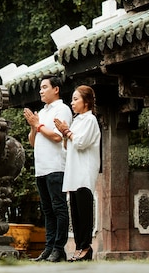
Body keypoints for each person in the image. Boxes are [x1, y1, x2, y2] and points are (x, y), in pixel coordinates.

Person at [23, 75, 73, 262]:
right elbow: (33, 142)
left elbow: (58, 137)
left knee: (59, 208)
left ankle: (59, 249)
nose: (41, 91)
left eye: (45, 87)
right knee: (47, 210)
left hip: (56, 166)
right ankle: (49, 247)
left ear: (56, 89)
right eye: (40, 88)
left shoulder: (62, 109)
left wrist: (38, 125)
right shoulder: (42, 112)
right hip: (41, 168)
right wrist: (33, 127)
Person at [54, 85, 101, 262]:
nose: (72, 103)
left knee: (84, 212)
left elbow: (81, 142)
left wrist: (67, 131)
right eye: (72, 99)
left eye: (76, 99)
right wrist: (66, 134)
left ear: (86, 102)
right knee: (76, 212)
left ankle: (86, 247)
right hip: (74, 172)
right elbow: (69, 147)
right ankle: (80, 246)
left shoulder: (90, 120)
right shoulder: (77, 120)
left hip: (84, 172)